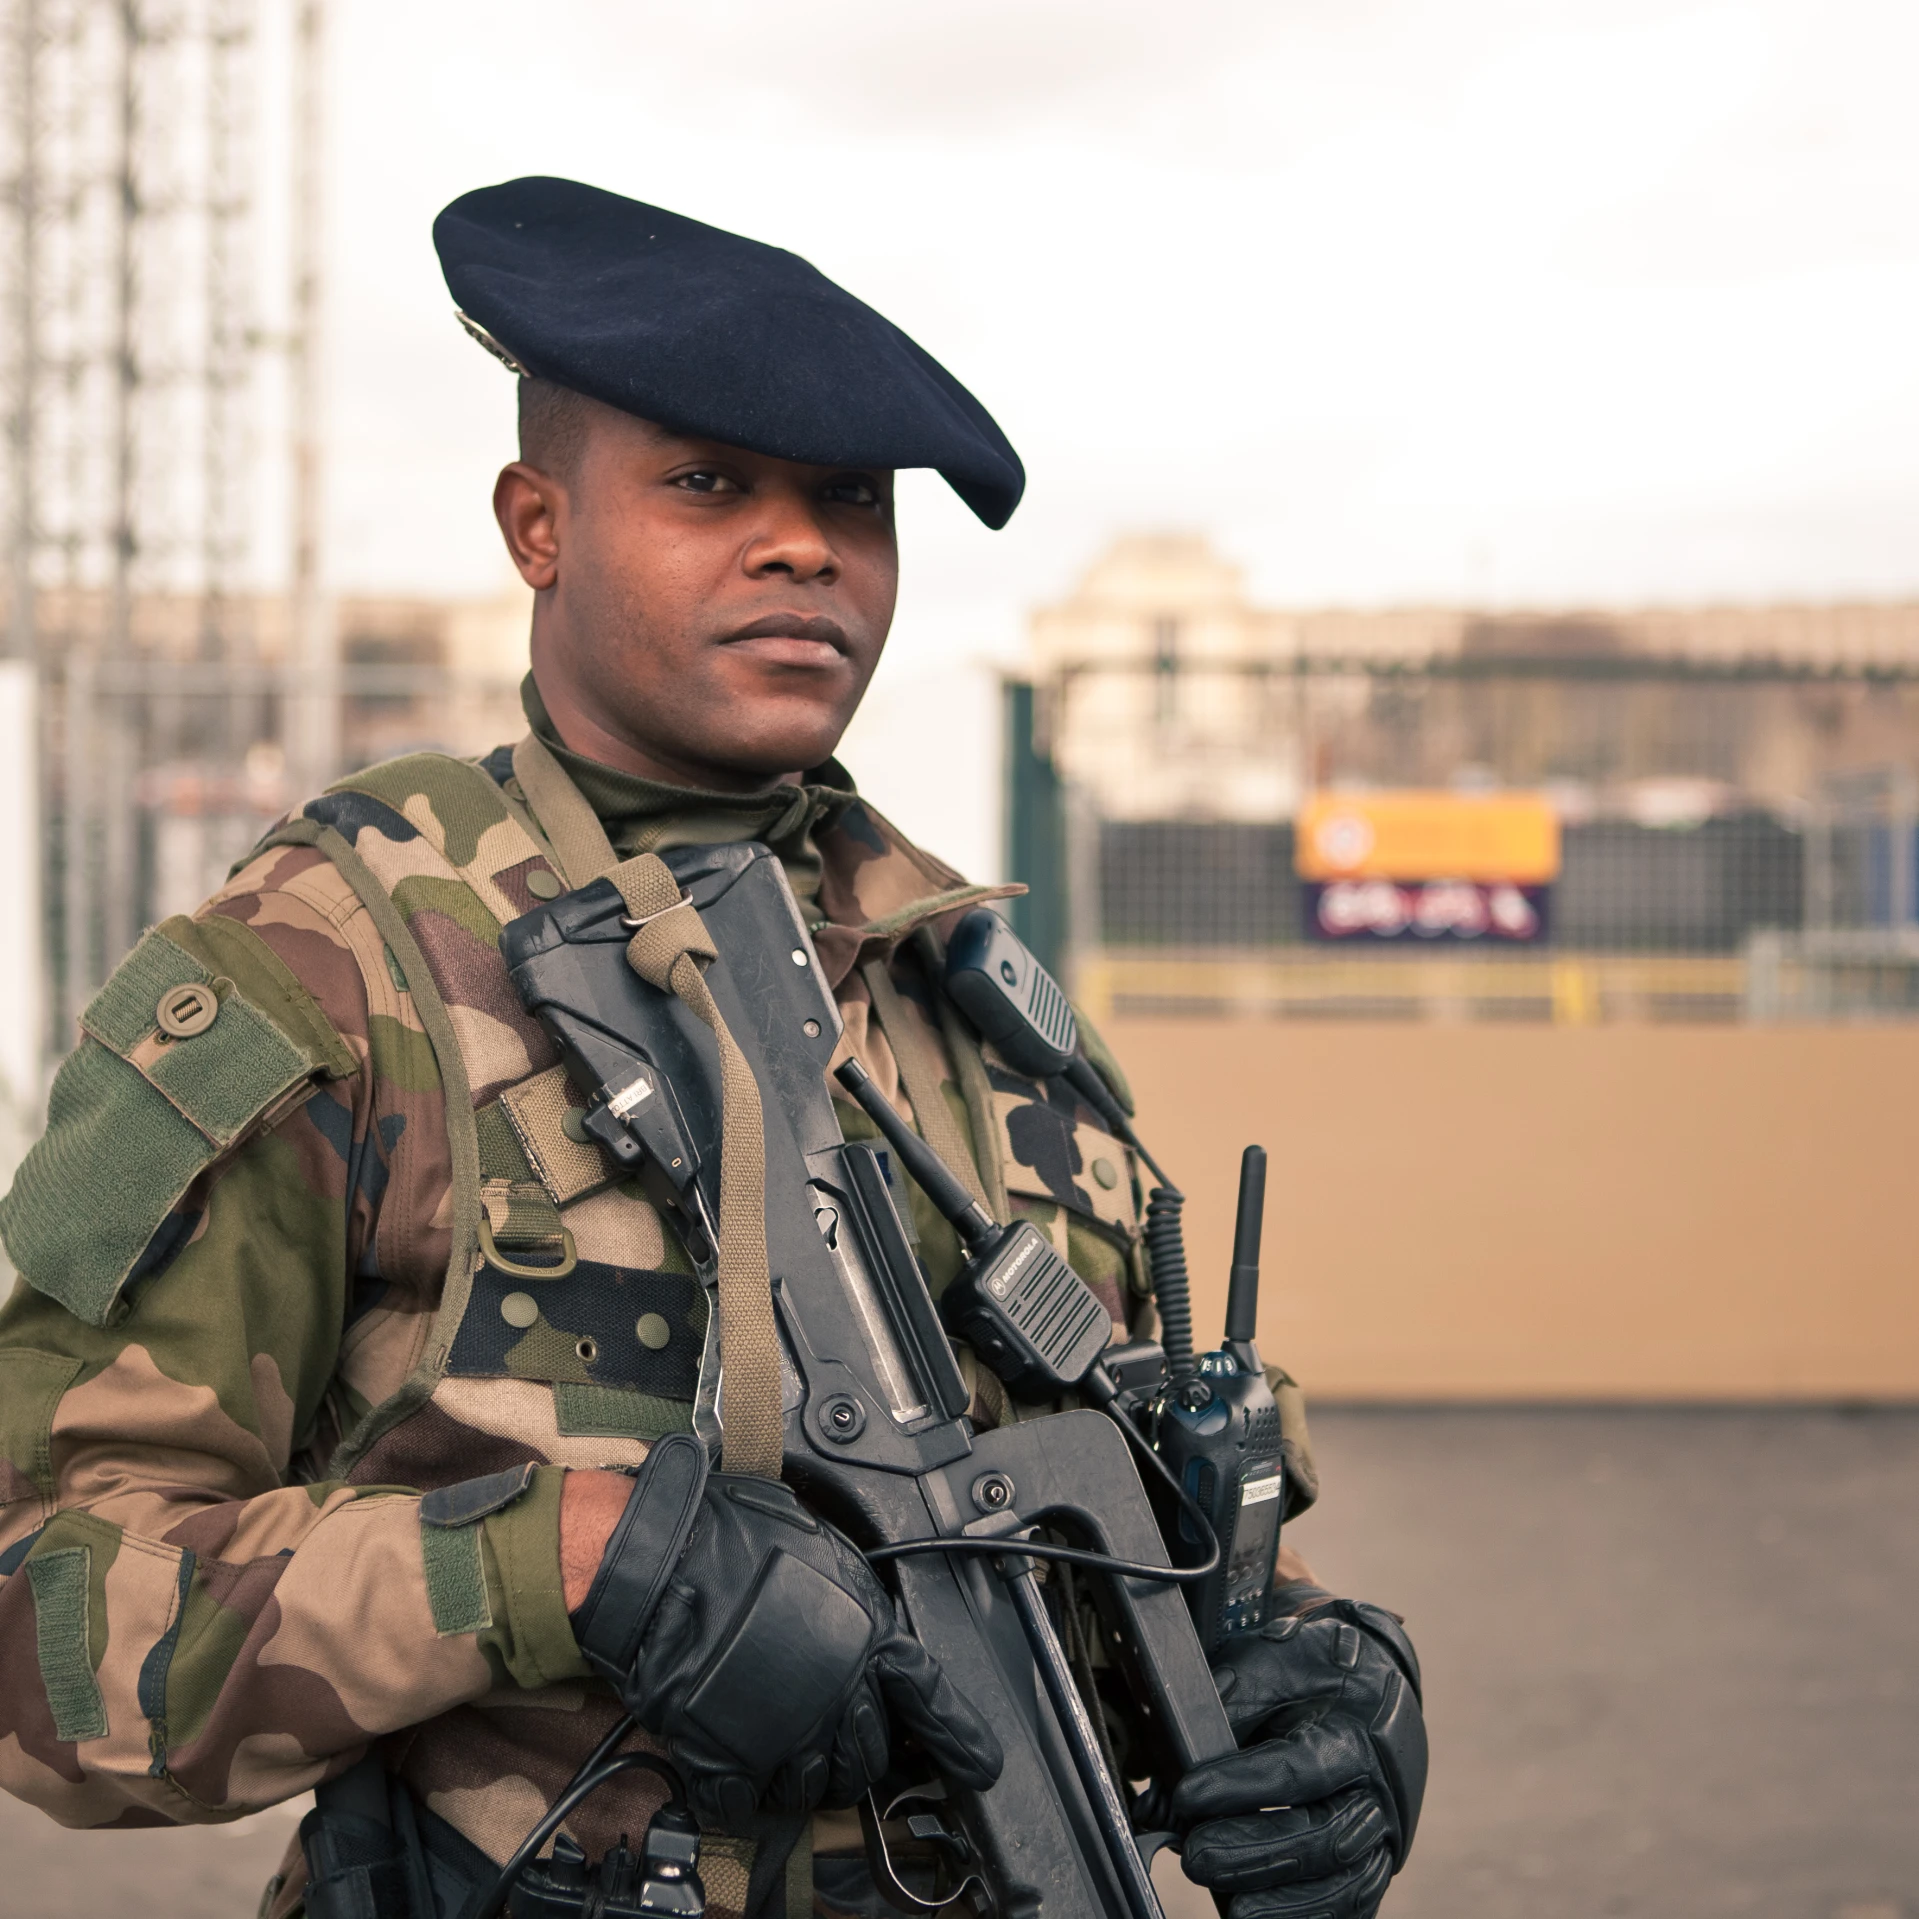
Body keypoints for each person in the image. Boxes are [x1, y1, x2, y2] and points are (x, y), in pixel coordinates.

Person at [0, 177, 1424, 1919]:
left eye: (846, 499)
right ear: (537, 523)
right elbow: (45, 1623)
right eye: (704, 484)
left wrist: (1322, 1687)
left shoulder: (965, 998)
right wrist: (557, 1567)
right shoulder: (336, 960)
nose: (801, 545)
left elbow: (1140, 1518)